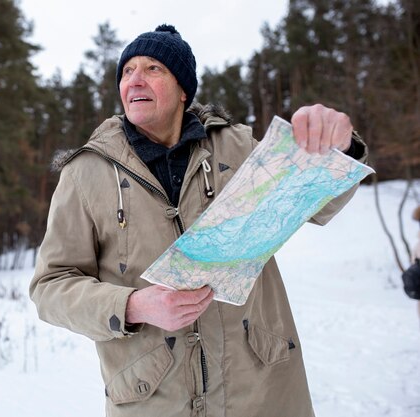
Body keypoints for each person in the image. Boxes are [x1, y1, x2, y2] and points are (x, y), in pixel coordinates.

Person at [30, 24, 368, 417]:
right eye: (127, 71)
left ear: (183, 89)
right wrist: (133, 305)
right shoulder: (86, 173)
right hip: (151, 399)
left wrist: (337, 145)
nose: (134, 78)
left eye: (153, 68)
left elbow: (319, 204)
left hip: (258, 392)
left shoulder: (239, 148)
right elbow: (50, 287)